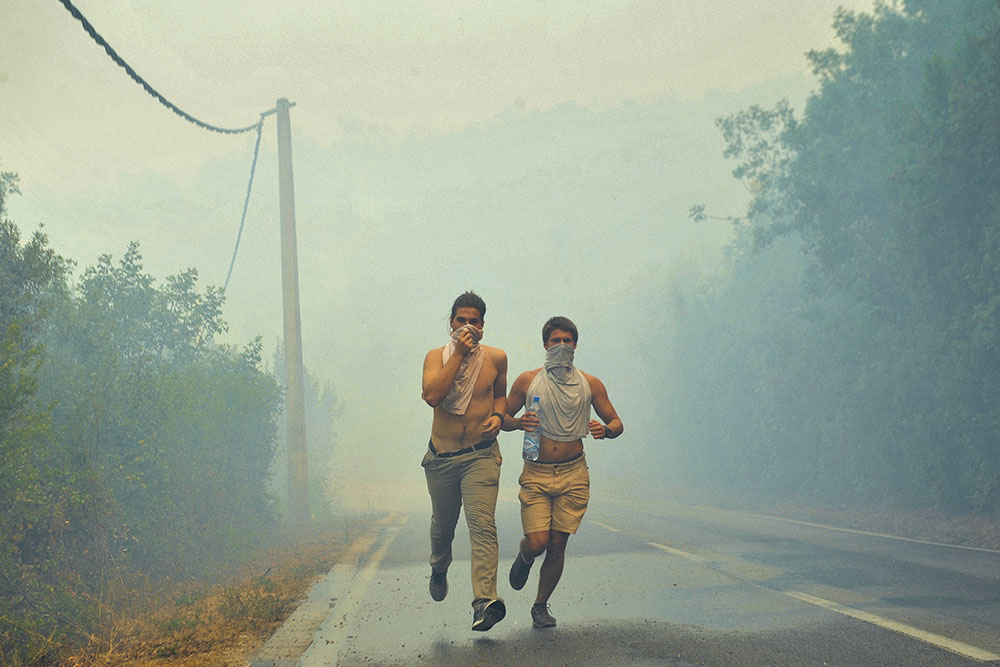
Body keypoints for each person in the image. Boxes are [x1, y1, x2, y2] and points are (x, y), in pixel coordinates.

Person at [501, 316, 623, 628]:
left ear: (576, 345)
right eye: (555, 340)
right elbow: (501, 416)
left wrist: (605, 430)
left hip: (573, 473)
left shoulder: (590, 384)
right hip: (537, 472)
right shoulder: (528, 381)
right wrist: (518, 423)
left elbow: (617, 423)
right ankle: (526, 555)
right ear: (545, 344)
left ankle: (540, 605)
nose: (561, 346)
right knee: (539, 541)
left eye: (567, 341)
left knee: (558, 544)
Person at [420, 291, 508, 631]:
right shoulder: (435, 357)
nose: (467, 326)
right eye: (461, 320)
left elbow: (500, 395)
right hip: (441, 458)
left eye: (474, 321)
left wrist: (499, 417)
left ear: (483, 326)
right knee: (443, 528)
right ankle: (439, 567)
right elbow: (432, 396)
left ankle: (484, 601)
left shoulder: (497, 358)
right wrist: (459, 352)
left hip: (480, 456)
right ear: (451, 323)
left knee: (483, 526)